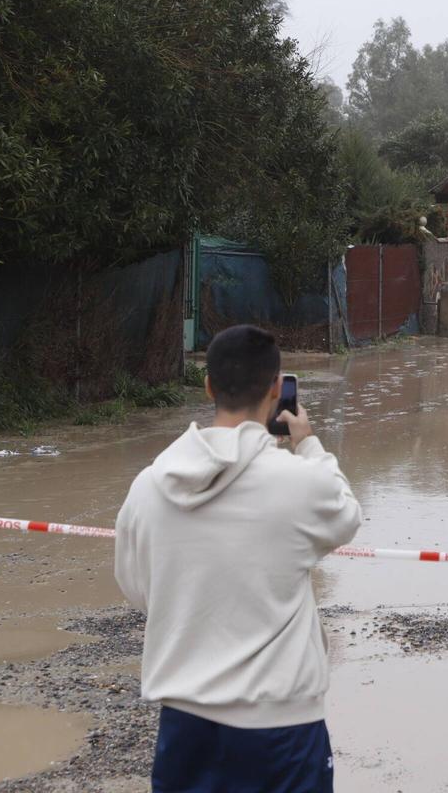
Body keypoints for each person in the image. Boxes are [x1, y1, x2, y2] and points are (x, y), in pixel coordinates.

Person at [115, 324, 362, 792]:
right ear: (276, 389)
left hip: (185, 722)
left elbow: (137, 585)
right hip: (283, 724)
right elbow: (346, 516)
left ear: (208, 386)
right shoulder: (300, 483)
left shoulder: (149, 485)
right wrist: (308, 442)